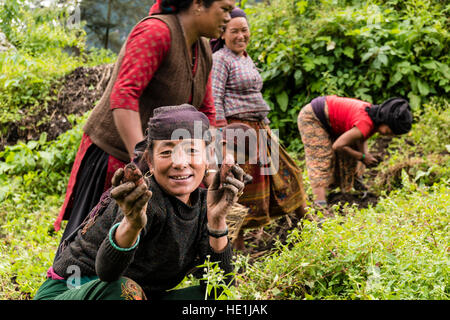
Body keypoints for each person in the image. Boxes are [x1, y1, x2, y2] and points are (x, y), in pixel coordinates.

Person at [53, 0, 236, 260]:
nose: (228, 18)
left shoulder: (203, 48)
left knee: (138, 245)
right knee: (90, 241)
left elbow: (207, 114)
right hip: (115, 155)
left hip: (164, 159)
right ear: (197, 4)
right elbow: (124, 96)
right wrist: (141, 162)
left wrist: (212, 168)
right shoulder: (156, 32)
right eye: (225, 9)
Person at [34, 104, 250, 300]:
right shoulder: (142, 198)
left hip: (141, 295)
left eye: (192, 151)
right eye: (167, 152)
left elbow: (220, 287)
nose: (180, 163)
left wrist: (217, 219)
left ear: (208, 156)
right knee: (124, 290)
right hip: (74, 291)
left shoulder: (205, 203)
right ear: (150, 161)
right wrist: (132, 223)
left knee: (217, 299)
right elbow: (108, 275)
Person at [211, 8, 307, 250]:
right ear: (223, 34)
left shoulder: (245, 57)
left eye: (244, 30)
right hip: (237, 133)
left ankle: (306, 225)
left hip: (259, 129)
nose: (241, 35)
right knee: (236, 189)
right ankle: (233, 248)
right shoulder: (221, 59)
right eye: (234, 31)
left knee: (289, 174)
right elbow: (214, 98)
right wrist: (223, 140)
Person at [297, 95, 413, 207]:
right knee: (321, 157)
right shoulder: (366, 123)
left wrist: (363, 155)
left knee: (351, 151)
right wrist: (362, 157)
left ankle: (353, 187)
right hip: (313, 117)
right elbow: (338, 145)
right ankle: (320, 205)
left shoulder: (373, 116)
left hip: (330, 120)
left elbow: (361, 138)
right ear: (385, 121)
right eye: (391, 131)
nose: (390, 135)